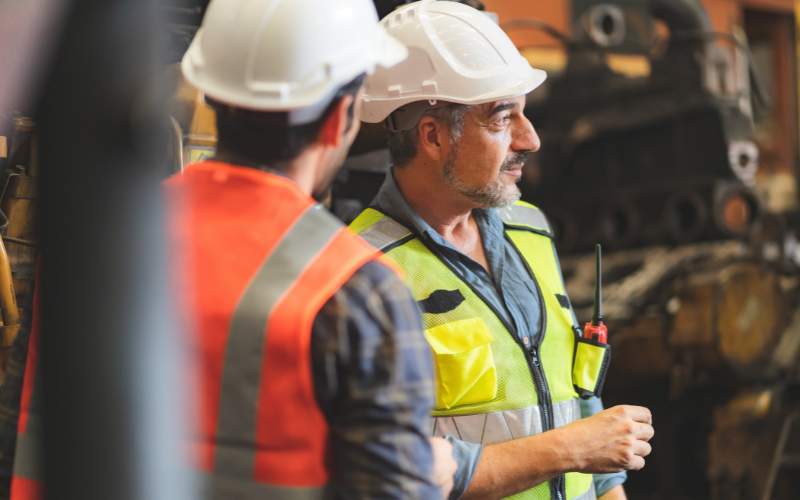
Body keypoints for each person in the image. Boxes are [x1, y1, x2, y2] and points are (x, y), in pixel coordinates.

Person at [7, 1, 458, 499]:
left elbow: (14, 440)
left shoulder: (88, 252)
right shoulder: (358, 289)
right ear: (340, 119)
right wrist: (431, 474)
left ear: (215, 97)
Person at [350, 2, 654, 499]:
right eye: (502, 117)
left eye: (524, 113)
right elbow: (393, 470)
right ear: (433, 137)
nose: (530, 139)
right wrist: (570, 449)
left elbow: (580, 402)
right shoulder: (361, 269)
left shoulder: (530, 228)